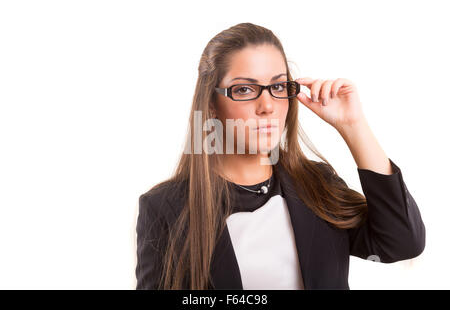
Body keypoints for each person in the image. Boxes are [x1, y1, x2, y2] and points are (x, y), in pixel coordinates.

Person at [135, 22, 426, 290]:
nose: (267, 106)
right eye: (245, 89)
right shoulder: (165, 208)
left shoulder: (317, 185)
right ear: (212, 104)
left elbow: (401, 243)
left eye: (277, 86)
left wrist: (354, 127)